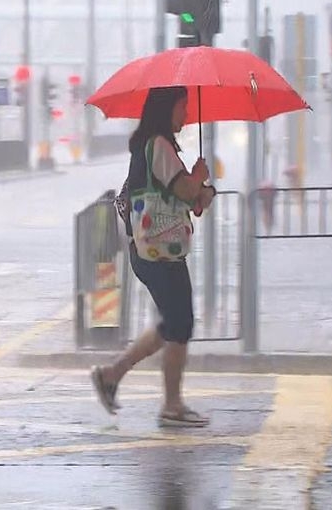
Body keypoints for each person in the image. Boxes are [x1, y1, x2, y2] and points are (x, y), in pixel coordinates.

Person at [91, 86, 216, 427]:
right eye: (183, 107)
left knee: (170, 324)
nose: (187, 115)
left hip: (155, 248)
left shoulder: (158, 147)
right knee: (180, 324)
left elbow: (186, 198)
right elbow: (184, 190)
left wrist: (202, 192)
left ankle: (111, 376)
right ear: (167, 109)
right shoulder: (158, 146)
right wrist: (199, 180)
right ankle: (172, 405)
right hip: (157, 251)